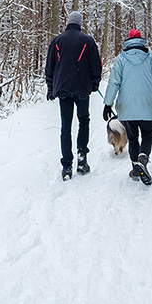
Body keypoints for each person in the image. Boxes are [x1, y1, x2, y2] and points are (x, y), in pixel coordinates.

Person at [102, 29, 152, 186]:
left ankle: (135, 168)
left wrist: (108, 103)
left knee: (132, 137)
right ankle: (143, 158)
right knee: (149, 134)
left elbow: (114, 81)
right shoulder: (150, 56)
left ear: (128, 41)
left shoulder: (121, 59)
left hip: (128, 107)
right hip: (148, 105)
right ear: (141, 40)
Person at [45, 10, 102, 181]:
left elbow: (50, 67)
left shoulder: (57, 41)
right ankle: (82, 159)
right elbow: (96, 65)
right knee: (83, 121)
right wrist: (94, 82)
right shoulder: (88, 41)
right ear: (80, 24)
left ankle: (67, 165)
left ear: (68, 23)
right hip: (82, 89)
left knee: (65, 127)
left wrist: (50, 88)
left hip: (63, 89)